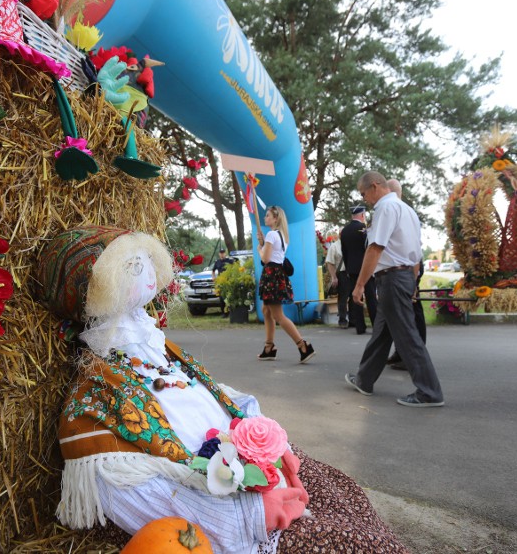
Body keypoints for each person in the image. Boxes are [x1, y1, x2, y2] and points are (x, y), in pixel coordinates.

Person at [39, 226, 406, 553]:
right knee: (342, 540)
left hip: (245, 469)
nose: (148, 273)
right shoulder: (94, 397)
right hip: (211, 509)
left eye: (146, 260)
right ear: (90, 290)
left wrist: (267, 437)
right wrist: (246, 515)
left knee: (341, 493)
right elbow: (122, 488)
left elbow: (213, 393)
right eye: (131, 267)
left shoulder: (156, 348)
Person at [344, 171, 444, 407]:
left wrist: (359, 286)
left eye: (364, 193)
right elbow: (416, 252)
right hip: (403, 276)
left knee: (407, 336)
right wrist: (413, 282)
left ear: (375, 186)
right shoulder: (407, 210)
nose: (365, 199)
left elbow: (375, 249)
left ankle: (430, 392)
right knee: (382, 333)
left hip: (392, 278)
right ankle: (364, 379)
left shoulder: (386, 209)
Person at [256, 206, 315, 363]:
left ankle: (303, 345)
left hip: (271, 276)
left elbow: (266, 259)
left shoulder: (271, 234)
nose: (264, 218)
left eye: (267, 215)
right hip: (277, 275)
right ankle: (269, 348)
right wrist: (263, 243)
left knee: (278, 315)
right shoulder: (281, 235)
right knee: (266, 311)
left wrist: (259, 248)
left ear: (276, 219)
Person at [384, 179, 427, 370]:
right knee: (398, 314)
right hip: (409, 266)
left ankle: (415, 357)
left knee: (412, 313)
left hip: (407, 267)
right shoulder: (406, 210)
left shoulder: (397, 210)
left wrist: (414, 278)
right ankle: (401, 353)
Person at [340, 205, 376, 334]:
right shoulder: (364, 229)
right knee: (371, 297)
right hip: (366, 268)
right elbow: (369, 249)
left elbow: (344, 252)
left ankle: (359, 327)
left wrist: (348, 268)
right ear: (362, 215)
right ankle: (376, 325)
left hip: (352, 269)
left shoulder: (344, 231)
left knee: (356, 297)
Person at [324, 238, 349, 328]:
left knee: (354, 297)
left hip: (353, 272)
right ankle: (342, 320)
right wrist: (334, 277)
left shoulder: (352, 243)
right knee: (343, 297)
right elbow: (330, 262)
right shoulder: (334, 246)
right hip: (342, 273)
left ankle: (354, 319)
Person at [212, 248, 235, 317]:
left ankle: (231, 312)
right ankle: (224, 313)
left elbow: (235, 267)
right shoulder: (217, 262)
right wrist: (213, 277)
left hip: (228, 281)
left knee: (229, 297)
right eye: (221, 253)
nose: (222, 254)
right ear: (219, 254)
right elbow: (213, 270)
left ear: (225, 253)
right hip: (220, 282)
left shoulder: (229, 261)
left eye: (223, 253)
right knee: (222, 298)